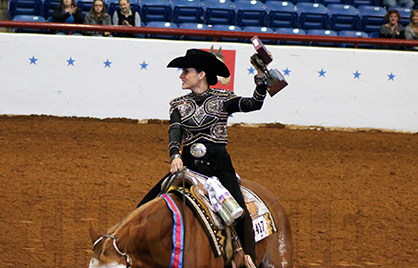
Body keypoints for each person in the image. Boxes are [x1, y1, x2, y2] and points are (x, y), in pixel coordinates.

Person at [137, 49, 272, 264]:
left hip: (219, 166)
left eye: (186, 71)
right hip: (188, 166)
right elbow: (175, 131)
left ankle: (249, 259)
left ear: (201, 74)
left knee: (240, 212)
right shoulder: (178, 104)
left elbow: (254, 104)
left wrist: (261, 79)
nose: (181, 76)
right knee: (143, 207)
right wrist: (174, 156)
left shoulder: (223, 99)